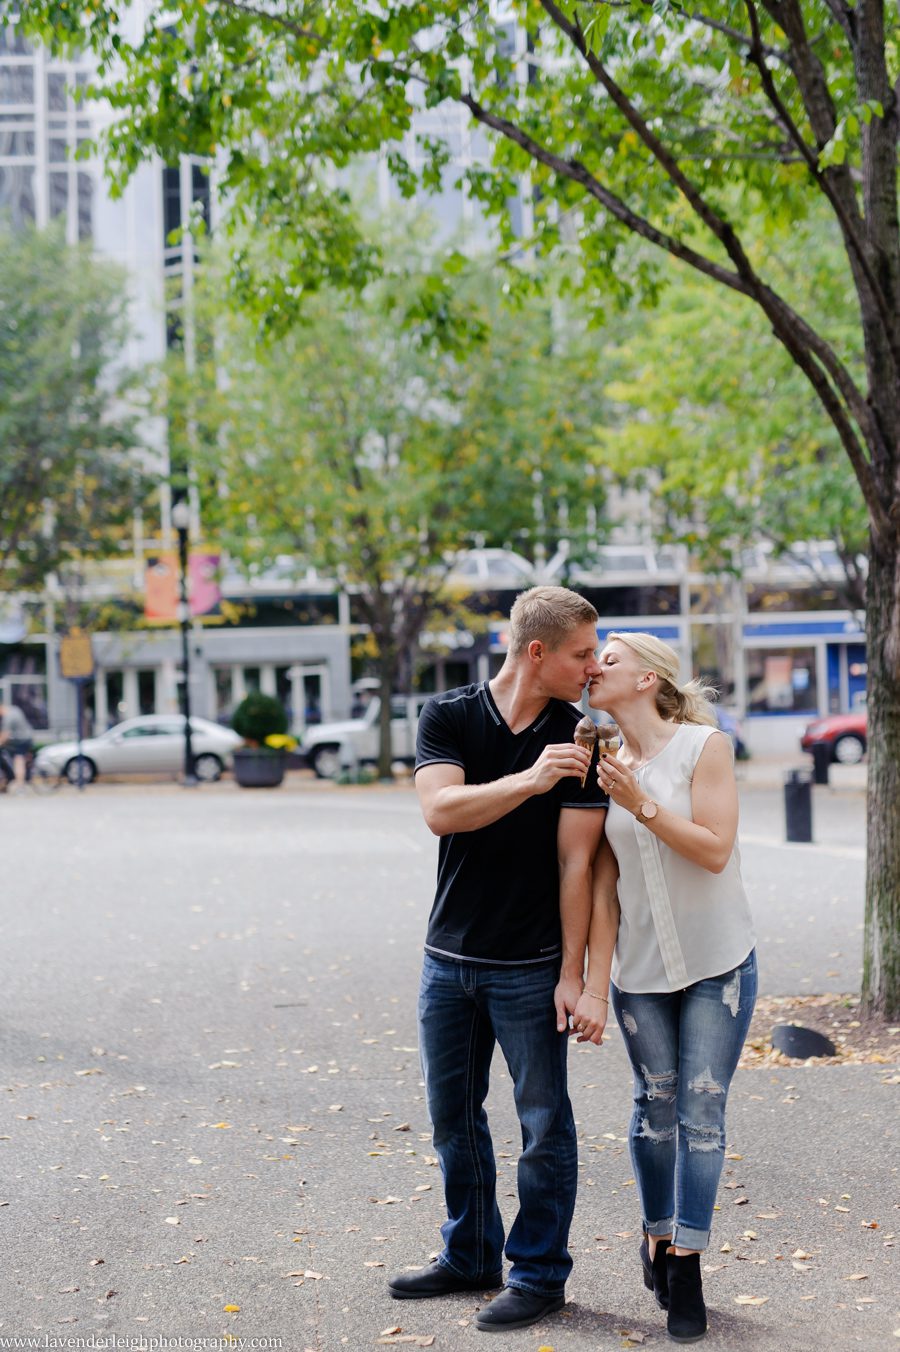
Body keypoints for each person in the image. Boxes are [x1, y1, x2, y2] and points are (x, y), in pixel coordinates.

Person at [388, 586, 609, 1332]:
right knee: (452, 1118)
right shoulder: (447, 715)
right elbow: (439, 812)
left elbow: (578, 866)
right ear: (538, 651)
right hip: (445, 959)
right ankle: (471, 1253)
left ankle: (540, 1273)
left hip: (529, 966)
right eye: (582, 653)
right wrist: (530, 779)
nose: (592, 668)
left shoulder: (583, 736)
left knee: (544, 1124)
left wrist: (573, 977)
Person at [571, 632, 757, 1345]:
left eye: (608, 660)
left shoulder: (704, 748)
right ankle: (655, 1233)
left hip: (719, 963)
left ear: (648, 678)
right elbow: (604, 886)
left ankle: (687, 1265)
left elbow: (714, 850)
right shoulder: (603, 762)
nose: (594, 669)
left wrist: (641, 802)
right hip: (640, 975)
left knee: (702, 1116)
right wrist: (594, 984)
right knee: (655, 1108)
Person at [0, 701, 35, 792]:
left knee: (18, 760)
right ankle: (12, 780)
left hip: (21, 740)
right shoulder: (15, 709)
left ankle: (20, 785)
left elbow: (5, 735)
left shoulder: (8, 717)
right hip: (27, 738)